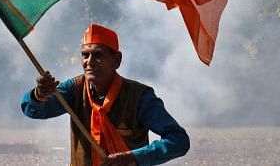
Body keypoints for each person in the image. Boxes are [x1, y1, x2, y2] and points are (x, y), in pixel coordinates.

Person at [21, 23, 190, 166]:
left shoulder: (140, 97)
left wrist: (132, 157)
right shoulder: (74, 89)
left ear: (116, 60)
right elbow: (33, 110)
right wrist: (39, 94)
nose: (89, 62)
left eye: (98, 55)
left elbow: (179, 141)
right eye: (85, 55)